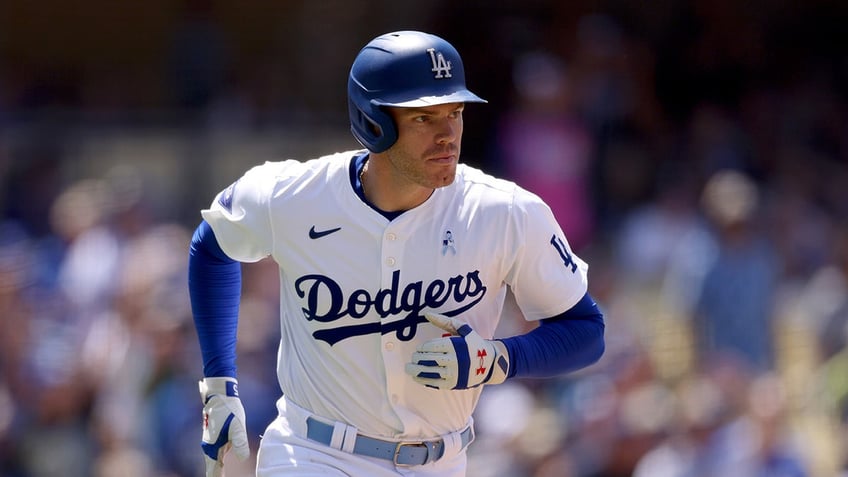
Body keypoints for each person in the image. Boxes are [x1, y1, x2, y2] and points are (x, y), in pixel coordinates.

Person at [188, 30, 606, 477]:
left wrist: (498, 358)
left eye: (456, 112)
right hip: (314, 453)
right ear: (374, 123)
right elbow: (211, 246)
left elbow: (586, 331)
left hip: (443, 461)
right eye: (425, 117)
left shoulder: (505, 212)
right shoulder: (291, 195)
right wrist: (218, 382)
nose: (448, 134)